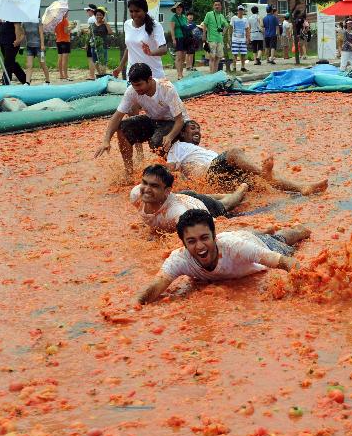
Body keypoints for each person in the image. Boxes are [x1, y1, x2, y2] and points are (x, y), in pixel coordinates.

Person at [137, 209, 310, 304]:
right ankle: (266, 231)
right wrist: (136, 308)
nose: (199, 247)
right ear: (182, 242)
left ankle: (299, 229)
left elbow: (284, 262)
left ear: (214, 235)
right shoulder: (179, 258)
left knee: (282, 240)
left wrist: (304, 284)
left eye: (204, 238)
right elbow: (154, 288)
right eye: (191, 241)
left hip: (256, 244)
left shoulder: (235, 248)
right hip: (239, 238)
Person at [163, 120, 328, 196]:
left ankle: (301, 188)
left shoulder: (203, 150)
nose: (197, 131)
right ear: (182, 133)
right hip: (208, 176)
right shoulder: (177, 147)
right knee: (235, 152)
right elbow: (169, 171)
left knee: (260, 184)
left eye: (199, 128)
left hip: (223, 177)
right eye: (192, 128)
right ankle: (264, 173)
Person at [95, 63, 188, 174]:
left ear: (149, 79)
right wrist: (106, 140)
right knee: (123, 127)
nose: (136, 89)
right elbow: (117, 116)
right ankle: (129, 171)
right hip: (153, 119)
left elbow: (180, 120)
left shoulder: (166, 88)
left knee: (157, 142)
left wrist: (170, 136)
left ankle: (172, 171)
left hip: (173, 122)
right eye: (134, 85)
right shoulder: (132, 91)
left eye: (139, 85)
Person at [131, 164, 247, 234]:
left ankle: (243, 187)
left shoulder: (177, 212)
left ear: (167, 191)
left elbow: (199, 231)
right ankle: (216, 195)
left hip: (202, 206)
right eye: (145, 183)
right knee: (196, 196)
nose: (146, 189)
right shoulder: (136, 194)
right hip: (182, 195)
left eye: (154, 186)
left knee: (229, 203)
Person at [114, 0, 167, 82]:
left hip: (153, 75)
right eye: (131, 11)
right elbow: (129, 48)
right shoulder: (127, 24)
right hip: (133, 75)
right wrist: (120, 67)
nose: (134, 14)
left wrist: (151, 52)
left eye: (137, 11)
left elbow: (164, 49)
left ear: (145, 10)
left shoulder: (155, 26)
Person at [0, 17, 26, 85]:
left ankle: (5, 82)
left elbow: (17, 26)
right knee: (10, 62)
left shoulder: (14, 13)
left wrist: (17, 40)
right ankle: (25, 79)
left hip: (12, 42)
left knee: (7, 63)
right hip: (2, 41)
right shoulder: (0, 13)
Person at [200, 0, 230, 74]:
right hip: (211, 39)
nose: (217, 6)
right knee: (212, 57)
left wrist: (223, 32)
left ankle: (215, 74)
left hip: (220, 39)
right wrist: (204, 35)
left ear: (221, 6)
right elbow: (205, 24)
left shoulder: (221, 16)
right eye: (215, 5)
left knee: (218, 57)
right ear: (213, 6)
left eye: (218, 5)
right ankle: (211, 73)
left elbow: (227, 25)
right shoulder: (209, 14)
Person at [22, 20, 49, 85]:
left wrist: (42, 45)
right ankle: (27, 82)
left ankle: (48, 81)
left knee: (43, 64)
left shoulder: (38, 21)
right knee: (29, 65)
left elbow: (41, 33)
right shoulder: (24, 23)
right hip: (29, 46)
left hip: (38, 47)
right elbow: (23, 34)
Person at [168, 2, 189, 80]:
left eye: (180, 7)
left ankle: (181, 73)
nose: (179, 8)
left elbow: (186, 27)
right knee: (179, 57)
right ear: (175, 9)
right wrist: (173, 39)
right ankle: (179, 74)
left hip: (185, 38)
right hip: (178, 38)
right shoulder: (173, 18)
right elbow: (172, 29)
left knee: (183, 57)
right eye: (177, 7)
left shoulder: (184, 17)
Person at [230, 5, 250, 73]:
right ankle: (234, 67)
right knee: (234, 54)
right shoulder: (234, 18)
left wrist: (248, 38)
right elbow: (231, 28)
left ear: (243, 11)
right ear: (237, 11)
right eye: (239, 10)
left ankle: (243, 67)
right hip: (235, 38)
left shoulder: (245, 19)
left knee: (243, 54)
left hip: (242, 39)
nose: (240, 11)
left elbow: (247, 29)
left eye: (241, 10)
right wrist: (230, 38)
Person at [54, 11, 74, 81]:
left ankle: (61, 75)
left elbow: (55, 31)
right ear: (64, 13)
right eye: (66, 12)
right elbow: (66, 31)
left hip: (58, 40)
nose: (67, 14)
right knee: (65, 59)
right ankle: (66, 75)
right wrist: (72, 27)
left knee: (60, 58)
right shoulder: (65, 20)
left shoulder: (56, 21)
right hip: (65, 41)